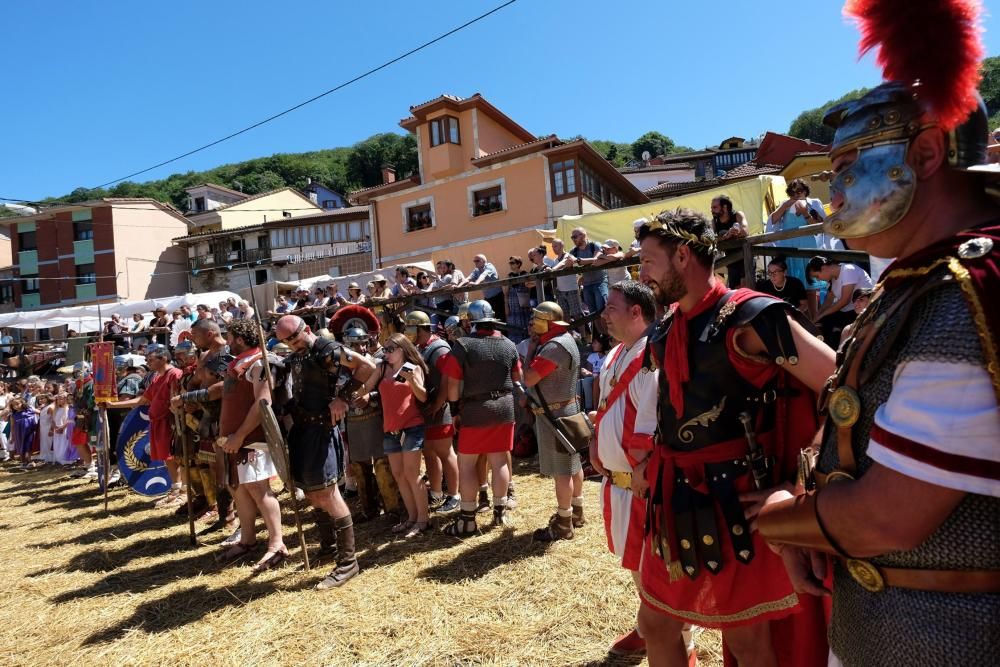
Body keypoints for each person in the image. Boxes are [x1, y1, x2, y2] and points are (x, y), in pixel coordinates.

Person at [757, 3, 1000, 664]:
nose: (833, 193)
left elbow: (884, 516)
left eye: (846, 168)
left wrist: (778, 517)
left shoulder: (960, 294)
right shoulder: (919, 283)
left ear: (924, 154)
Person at [635, 208, 834, 666]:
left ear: (682, 255)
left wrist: (800, 485)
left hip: (735, 501)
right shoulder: (665, 329)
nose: (640, 271)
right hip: (672, 498)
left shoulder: (751, 317)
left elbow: (841, 385)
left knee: (748, 645)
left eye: (647, 260)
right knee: (655, 623)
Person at [274, 314, 375, 590]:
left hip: (322, 429)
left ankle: (348, 562)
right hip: (303, 430)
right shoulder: (297, 356)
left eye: (294, 338)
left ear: (305, 329)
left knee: (328, 494)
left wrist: (343, 398)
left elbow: (367, 366)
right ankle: (328, 547)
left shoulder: (327, 350)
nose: (292, 344)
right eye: (286, 341)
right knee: (312, 491)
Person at [590, 280, 660, 658]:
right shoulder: (618, 352)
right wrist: (595, 439)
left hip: (642, 484)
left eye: (611, 308)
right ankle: (646, 626)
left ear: (636, 312)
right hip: (617, 483)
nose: (604, 315)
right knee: (637, 565)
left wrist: (643, 468)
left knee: (657, 567)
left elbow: (653, 420)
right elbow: (607, 405)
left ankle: (679, 642)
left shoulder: (654, 354)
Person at [214, 319, 289, 572]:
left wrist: (240, 435)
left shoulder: (259, 362)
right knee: (240, 489)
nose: (226, 342)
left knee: (259, 489)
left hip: (252, 438)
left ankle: (277, 543)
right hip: (237, 439)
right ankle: (247, 540)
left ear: (241, 339)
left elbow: (262, 403)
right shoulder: (241, 361)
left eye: (230, 337)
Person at [440, 300, 520, 535]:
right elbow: (518, 376)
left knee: (467, 465)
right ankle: (500, 511)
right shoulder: (508, 344)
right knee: (500, 462)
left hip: (475, 409)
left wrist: (454, 411)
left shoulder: (463, 345)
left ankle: (467, 520)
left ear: (470, 321)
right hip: (504, 407)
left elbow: (453, 384)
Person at [520, 302, 587, 540]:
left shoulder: (553, 347)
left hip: (556, 416)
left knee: (563, 471)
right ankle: (577, 511)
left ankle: (564, 522)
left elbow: (529, 378)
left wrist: (530, 350)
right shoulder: (566, 339)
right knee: (573, 465)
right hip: (567, 410)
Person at [356, 332, 429, 537]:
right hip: (391, 429)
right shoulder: (381, 368)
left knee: (412, 474)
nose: (385, 353)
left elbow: (422, 397)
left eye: (390, 349)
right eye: (385, 349)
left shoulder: (412, 368)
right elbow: (365, 388)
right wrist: (348, 395)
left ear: (402, 350)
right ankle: (412, 517)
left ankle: (423, 520)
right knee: (399, 475)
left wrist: (412, 381)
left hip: (411, 427)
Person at [109, 345, 184, 506]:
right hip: (158, 423)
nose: (147, 363)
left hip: (171, 422)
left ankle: (183, 491)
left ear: (163, 358)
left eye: (150, 359)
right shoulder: (157, 377)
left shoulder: (174, 374)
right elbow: (143, 400)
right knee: (167, 457)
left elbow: (179, 399)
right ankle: (175, 489)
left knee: (177, 456)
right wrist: (112, 405)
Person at [404, 310, 460, 515]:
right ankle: (435, 492)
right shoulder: (420, 348)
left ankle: (454, 495)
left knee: (445, 453)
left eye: (411, 328)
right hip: (426, 410)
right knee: (429, 452)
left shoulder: (439, 348)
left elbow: (448, 377)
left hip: (440, 409)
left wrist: (439, 402)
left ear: (420, 328)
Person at [765, 178, 824, 307]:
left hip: (807, 247)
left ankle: (814, 319)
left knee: (810, 285)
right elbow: (772, 221)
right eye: (792, 192)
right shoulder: (784, 204)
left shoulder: (814, 203)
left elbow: (819, 227)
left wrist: (805, 213)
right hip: (788, 249)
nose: (796, 194)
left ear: (805, 191)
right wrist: (785, 206)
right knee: (792, 282)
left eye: (799, 191)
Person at [806, 256, 874, 349]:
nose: (818, 280)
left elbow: (844, 301)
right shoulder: (832, 278)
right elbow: (828, 302)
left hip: (859, 310)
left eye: (817, 276)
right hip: (846, 312)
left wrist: (821, 316)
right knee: (820, 324)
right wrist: (817, 317)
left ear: (823, 268)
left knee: (834, 331)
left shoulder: (848, 270)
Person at [569, 227, 609, 317]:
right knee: (592, 315)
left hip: (600, 282)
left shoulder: (595, 245)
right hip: (586, 285)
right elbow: (568, 262)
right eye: (572, 237)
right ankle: (599, 332)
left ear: (583, 236)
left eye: (575, 237)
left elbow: (595, 259)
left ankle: (606, 331)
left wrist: (579, 260)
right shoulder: (574, 251)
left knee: (602, 311)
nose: (573, 239)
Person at [711, 195, 749, 288]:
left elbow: (746, 231)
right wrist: (724, 236)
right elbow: (710, 238)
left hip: (746, 256)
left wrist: (737, 231)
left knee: (747, 287)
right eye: (712, 207)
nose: (711, 210)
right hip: (730, 260)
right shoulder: (714, 222)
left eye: (715, 207)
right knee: (735, 290)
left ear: (725, 207)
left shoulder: (737, 215)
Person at [550, 239, 584, 327]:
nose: (553, 249)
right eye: (552, 247)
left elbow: (564, 262)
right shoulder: (555, 260)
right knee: (565, 316)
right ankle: (569, 336)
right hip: (561, 291)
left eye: (555, 246)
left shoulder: (569, 256)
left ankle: (583, 337)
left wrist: (553, 270)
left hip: (571, 289)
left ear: (562, 246)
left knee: (577, 315)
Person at [460, 255, 505, 321]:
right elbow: (469, 278)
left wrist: (476, 283)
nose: (475, 262)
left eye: (477, 261)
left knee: (501, 317)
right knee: (489, 317)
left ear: (484, 261)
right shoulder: (476, 270)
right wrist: (458, 286)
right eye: (474, 261)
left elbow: (483, 275)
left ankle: (503, 331)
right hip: (488, 298)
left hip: (497, 297)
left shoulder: (489, 266)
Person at [504, 256, 532, 344]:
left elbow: (530, 290)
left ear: (518, 264)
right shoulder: (509, 276)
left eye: (512, 263)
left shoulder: (525, 274)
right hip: (513, 306)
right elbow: (505, 293)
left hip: (524, 305)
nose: (510, 265)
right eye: (510, 263)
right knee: (514, 326)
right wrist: (506, 307)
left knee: (525, 324)